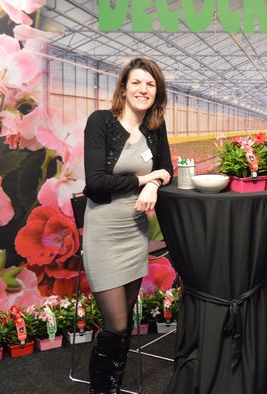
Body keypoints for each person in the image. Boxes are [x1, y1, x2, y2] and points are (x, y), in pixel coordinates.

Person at [82, 57, 173, 393]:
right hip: (104, 234)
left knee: (124, 324)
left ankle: (113, 387)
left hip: (134, 233)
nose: (143, 89)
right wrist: (144, 179)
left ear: (157, 92)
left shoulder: (155, 127)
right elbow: (95, 182)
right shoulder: (101, 122)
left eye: (150, 84)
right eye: (136, 82)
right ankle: (102, 389)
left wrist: (154, 183)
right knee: (117, 323)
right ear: (123, 88)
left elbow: (167, 169)